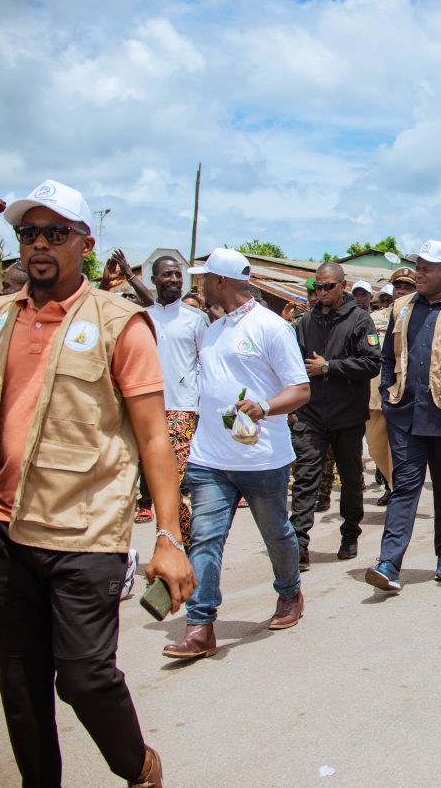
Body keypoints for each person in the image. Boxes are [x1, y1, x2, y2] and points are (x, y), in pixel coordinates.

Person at [0, 179, 196, 788]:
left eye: (55, 232)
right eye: (27, 232)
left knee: (84, 678)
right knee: (21, 688)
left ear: (83, 243)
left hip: (86, 533)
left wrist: (169, 535)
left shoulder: (121, 323)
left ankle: (139, 768)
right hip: (7, 530)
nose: (38, 244)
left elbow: (153, 439)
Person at [164, 247, 311, 660]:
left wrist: (264, 407)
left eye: (204, 277)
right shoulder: (211, 329)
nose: (200, 283)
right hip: (210, 457)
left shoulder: (270, 328)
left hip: (261, 459)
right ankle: (200, 625)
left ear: (221, 281)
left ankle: (290, 593)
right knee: (206, 539)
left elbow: (300, 389)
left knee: (276, 532)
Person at [365, 240, 441, 592]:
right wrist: (388, 395)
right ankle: (389, 562)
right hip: (405, 414)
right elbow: (388, 356)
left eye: (427, 268)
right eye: (417, 266)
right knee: (404, 486)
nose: (419, 273)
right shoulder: (401, 308)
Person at [290, 262, 381, 566]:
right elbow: (293, 365)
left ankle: (350, 533)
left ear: (343, 285)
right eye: (318, 286)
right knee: (305, 478)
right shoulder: (305, 323)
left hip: (347, 416)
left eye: (329, 286)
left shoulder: (360, 321)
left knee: (352, 480)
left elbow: (372, 364)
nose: (323, 292)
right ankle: (299, 542)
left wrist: (329, 366)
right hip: (311, 414)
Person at [141, 255, 208, 545]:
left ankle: (179, 541)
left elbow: (207, 365)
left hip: (183, 409)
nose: (174, 280)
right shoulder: (142, 318)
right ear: (153, 280)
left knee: (174, 480)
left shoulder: (195, 320)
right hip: (146, 409)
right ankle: (175, 539)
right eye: (167, 275)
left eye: (178, 275)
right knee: (157, 482)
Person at [365, 273, 412, 507]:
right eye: (398, 286)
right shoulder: (375, 318)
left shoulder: (422, 316)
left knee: (402, 448)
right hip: (376, 393)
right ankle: (395, 486)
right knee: (375, 446)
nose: (401, 290)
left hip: (407, 395)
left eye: (407, 286)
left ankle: (399, 492)